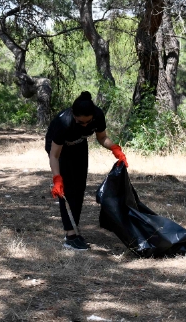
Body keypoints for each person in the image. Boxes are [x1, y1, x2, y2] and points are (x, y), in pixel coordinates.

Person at [45, 91, 128, 251]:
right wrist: (57, 178)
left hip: (79, 144)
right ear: (73, 115)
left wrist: (115, 149)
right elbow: (54, 155)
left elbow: (102, 137)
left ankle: (74, 227)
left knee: (80, 187)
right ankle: (70, 236)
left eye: (87, 122)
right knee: (67, 189)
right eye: (80, 122)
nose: (84, 125)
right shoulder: (64, 122)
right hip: (60, 148)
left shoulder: (97, 115)